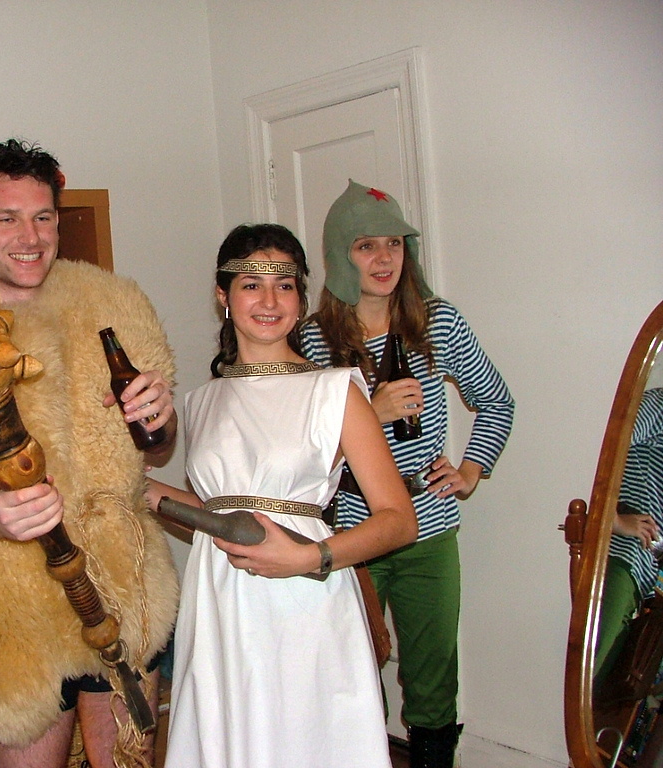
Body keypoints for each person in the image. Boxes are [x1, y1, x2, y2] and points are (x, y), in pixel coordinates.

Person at [0, 139, 179, 768]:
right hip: (6, 605)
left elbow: (157, 448)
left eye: (43, 217)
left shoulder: (116, 305)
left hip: (123, 581)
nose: (30, 237)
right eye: (6, 218)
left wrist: (162, 419)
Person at [145, 223, 418, 768]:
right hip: (219, 599)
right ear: (223, 296)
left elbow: (398, 519)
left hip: (303, 597)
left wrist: (309, 557)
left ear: (300, 298)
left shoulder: (335, 391)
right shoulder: (201, 401)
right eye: (251, 284)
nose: (269, 301)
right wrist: (140, 490)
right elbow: (219, 516)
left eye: (285, 285)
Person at [300, 180, 515, 768]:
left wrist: (470, 470)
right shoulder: (313, 340)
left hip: (428, 525)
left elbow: (496, 400)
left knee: (433, 678)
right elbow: (302, 450)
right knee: (350, 672)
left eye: (394, 243)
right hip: (352, 530)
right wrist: (370, 411)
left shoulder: (436, 322)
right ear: (340, 255)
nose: (384, 258)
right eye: (366, 245)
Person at [594, 387, 663, 691]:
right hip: (624, 557)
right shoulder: (659, 405)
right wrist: (614, 520)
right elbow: (608, 445)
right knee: (591, 674)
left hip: (647, 577)